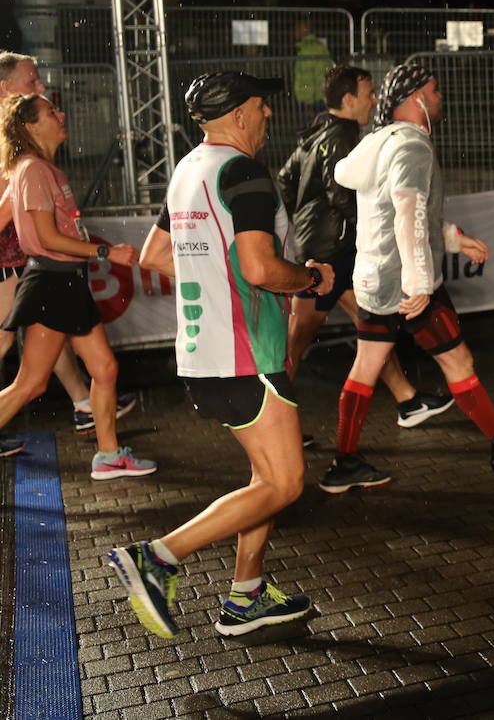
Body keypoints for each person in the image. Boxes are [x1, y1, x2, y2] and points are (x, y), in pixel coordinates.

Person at [109, 71, 330, 639]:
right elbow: (259, 269)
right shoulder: (244, 171)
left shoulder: (189, 169)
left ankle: (247, 593)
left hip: (204, 354)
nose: (268, 116)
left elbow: (157, 256)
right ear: (237, 115)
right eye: (261, 107)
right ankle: (157, 557)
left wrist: (213, 278)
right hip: (246, 353)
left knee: (266, 477)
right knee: (284, 483)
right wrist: (308, 279)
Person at [324, 62, 494, 493]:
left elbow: (389, 217)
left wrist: (454, 240)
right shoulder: (413, 148)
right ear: (416, 97)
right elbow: (407, 215)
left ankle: (343, 463)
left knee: (366, 363)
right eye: (434, 90)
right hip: (407, 284)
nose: (440, 97)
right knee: (459, 363)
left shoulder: (381, 144)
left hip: (373, 279)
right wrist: (421, 283)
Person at [277, 65, 453, 426]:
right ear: (347, 99)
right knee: (300, 338)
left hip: (324, 246)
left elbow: (286, 178)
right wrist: (374, 226)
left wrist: (304, 217)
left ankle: (407, 401)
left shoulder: (316, 130)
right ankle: (274, 423)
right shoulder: (342, 135)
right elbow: (341, 193)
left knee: (371, 329)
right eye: (368, 93)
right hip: (332, 252)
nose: (375, 100)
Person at [0, 92, 154, 474]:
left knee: (104, 369)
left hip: (67, 281)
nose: (62, 114)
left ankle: (108, 455)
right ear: (32, 125)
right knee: (31, 384)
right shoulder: (33, 169)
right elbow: (48, 238)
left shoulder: (44, 169)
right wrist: (104, 254)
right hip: (51, 282)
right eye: (52, 111)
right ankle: (108, 452)